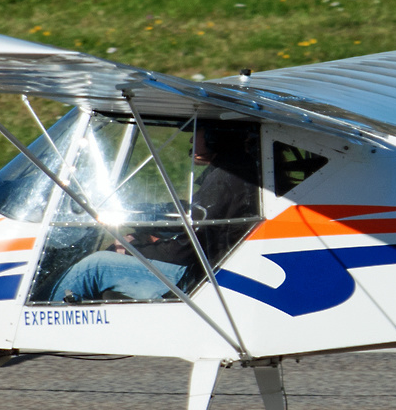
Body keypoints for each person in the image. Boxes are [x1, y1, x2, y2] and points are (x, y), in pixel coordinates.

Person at [50, 121, 259, 302]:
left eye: (198, 132)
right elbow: (191, 217)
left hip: (195, 276)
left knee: (93, 267)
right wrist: (143, 223)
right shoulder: (236, 171)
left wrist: (135, 249)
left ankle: (49, 331)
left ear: (216, 137)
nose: (191, 140)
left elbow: (186, 250)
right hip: (209, 266)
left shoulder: (224, 179)